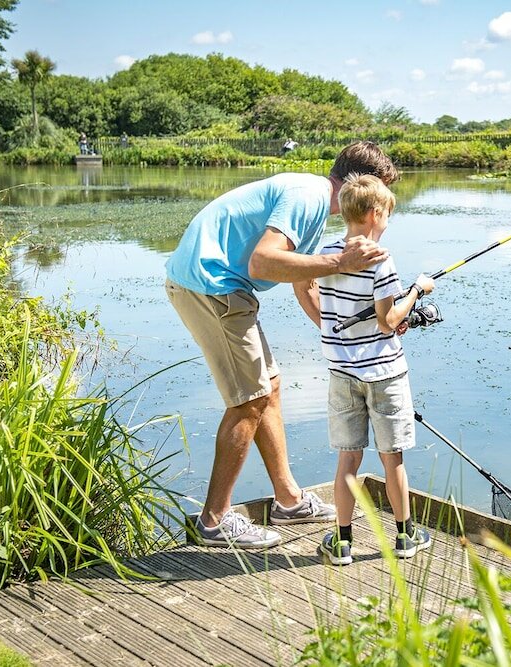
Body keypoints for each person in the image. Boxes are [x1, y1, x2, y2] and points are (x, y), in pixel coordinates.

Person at [165, 141, 399, 549]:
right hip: (211, 285)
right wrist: (341, 263)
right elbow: (263, 262)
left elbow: (300, 278)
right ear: (362, 190)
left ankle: (289, 501)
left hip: (219, 285)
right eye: (379, 200)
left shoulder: (312, 204)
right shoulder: (307, 197)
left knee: (268, 387)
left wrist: (338, 331)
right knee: (249, 399)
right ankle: (214, 522)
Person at [299, 173, 434, 566]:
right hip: (385, 375)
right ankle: (406, 537)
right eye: (388, 214)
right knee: (393, 457)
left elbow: (311, 286)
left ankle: (342, 543)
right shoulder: (382, 259)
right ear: (375, 215)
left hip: (342, 373)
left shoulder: (328, 253)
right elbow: (388, 320)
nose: (388, 221)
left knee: (348, 459)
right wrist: (416, 291)